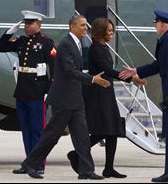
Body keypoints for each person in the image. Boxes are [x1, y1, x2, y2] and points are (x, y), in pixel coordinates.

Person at [20, 15, 111, 180]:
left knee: (82, 136)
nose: (86, 28)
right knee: (51, 136)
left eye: (86, 26)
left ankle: (86, 170)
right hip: (63, 100)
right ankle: (30, 165)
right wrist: (92, 79)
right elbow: (70, 71)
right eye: (82, 25)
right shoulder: (65, 45)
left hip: (75, 99)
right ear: (72, 27)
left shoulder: (77, 43)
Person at [119, 10, 168, 183]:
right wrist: (137, 70)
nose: (155, 26)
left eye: (156, 23)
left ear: (163, 24)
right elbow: (159, 65)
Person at [66, 18, 146, 178]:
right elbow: (107, 70)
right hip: (98, 93)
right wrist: (131, 78)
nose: (111, 33)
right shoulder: (96, 48)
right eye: (109, 31)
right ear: (101, 32)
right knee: (104, 130)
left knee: (113, 130)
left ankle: (109, 168)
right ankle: (76, 154)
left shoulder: (103, 47)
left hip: (106, 92)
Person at [0, 10, 56, 174]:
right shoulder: (21, 41)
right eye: (25, 23)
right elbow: (0, 47)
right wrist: (10, 32)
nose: (26, 26)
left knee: (37, 131)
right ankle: (28, 163)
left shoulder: (46, 43)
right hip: (22, 91)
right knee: (26, 130)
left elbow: (55, 68)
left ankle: (39, 165)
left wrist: (48, 92)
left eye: (30, 23)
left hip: (37, 92)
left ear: (39, 24)